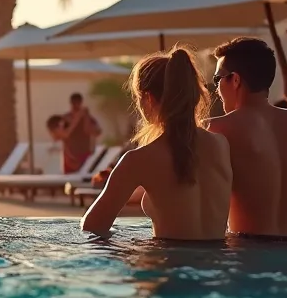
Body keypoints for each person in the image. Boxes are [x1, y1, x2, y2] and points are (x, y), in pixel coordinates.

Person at [82, 49, 231, 240]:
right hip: (219, 263)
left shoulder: (138, 159)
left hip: (168, 265)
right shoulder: (221, 145)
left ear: (148, 98)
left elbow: (92, 227)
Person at [205, 38, 287, 238]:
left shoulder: (216, 128)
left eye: (217, 79)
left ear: (235, 80)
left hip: (248, 251)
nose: (217, 89)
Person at [61, 93, 101, 173]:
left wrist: (85, 117)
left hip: (85, 153)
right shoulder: (66, 118)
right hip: (70, 154)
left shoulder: (88, 118)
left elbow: (95, 132)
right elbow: (65, 134)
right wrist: (77, 118)